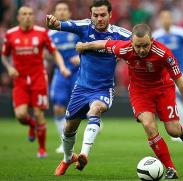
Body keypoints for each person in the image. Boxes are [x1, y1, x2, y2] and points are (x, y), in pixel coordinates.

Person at [76, 24, 183, 179]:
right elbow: (103, 44)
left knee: (173, 130)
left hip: (163, 89)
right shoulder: (124, 48)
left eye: (145, 45)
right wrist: (84, 46)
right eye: (138, 46)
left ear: (152, 40)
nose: (142, 50)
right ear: (131, 42)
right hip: (140, 92)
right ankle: (171, 168)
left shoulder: (164, 53)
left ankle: (182, 131)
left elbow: (180, 82)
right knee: (148, 125)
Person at [46, 0, 131, 176]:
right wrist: (53, 23)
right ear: (90, 15)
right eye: (96, 15)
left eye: (103, 15)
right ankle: (68, 158)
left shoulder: (120, 34)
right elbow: (61, 25)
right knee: (69, 127)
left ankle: (84, 154)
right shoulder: (84, 26)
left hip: (103, 88)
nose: (99, 19)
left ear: (110, 15)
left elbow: (142, 40)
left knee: (96, 110)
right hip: (81, 88)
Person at [1, 6, 70, 158]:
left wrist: (62, 66)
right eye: (24, 14)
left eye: (30, 14)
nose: (27, 17)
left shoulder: (42, 33)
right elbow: (4, 55)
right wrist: (9, 67)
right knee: (20, 115)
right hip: (19, 80)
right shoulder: (11, 34)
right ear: (18, 17)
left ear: (33, 17)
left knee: (39, 113)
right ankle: (31, 125)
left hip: (38, 78)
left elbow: (54, 52)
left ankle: (42, 149)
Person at [152, 10, 183, 137]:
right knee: (176, 100)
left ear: (171, 19)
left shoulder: (181, 33)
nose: (166, 20)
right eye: (163, 18)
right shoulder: (156, 35)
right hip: (164, 74)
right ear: (160, 20)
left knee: (176, 98)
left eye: (168, 17)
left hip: (180, 71)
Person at [49, 1, 81, 154]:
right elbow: (47, 54)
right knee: (58, 108)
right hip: (60, 74)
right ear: (55, 13)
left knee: (79, 107)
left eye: (64, 10)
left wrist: (80, 57)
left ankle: (94, 121)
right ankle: (64, 142)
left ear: (69, 13)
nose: (61, 12)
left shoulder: (76, 30)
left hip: (77, 73)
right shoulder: (50, 34)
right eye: (58, 10)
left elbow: (88, 48)